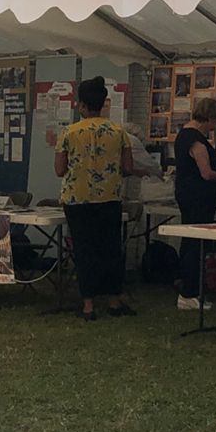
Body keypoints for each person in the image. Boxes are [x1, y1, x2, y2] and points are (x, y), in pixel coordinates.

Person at [51, 76, 139, 321]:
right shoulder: (119, 132)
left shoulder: (68, 133)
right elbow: (128, 167)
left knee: (84, 250)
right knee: (111, 249)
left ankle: (88, 305)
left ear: (81, 105)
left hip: (77, 199)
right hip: (109, 197)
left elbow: (59, 169)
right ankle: (114, 300)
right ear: (104, 104)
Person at [173, 94, 216, 308]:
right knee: (196, 242)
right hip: (198, 197)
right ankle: (189, 292)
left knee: (190, 240)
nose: (215, 127)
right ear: (210, 118)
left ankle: (188, 289)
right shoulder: (196, 140)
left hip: (188, 194)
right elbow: (206, 173)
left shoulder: (183, 135)